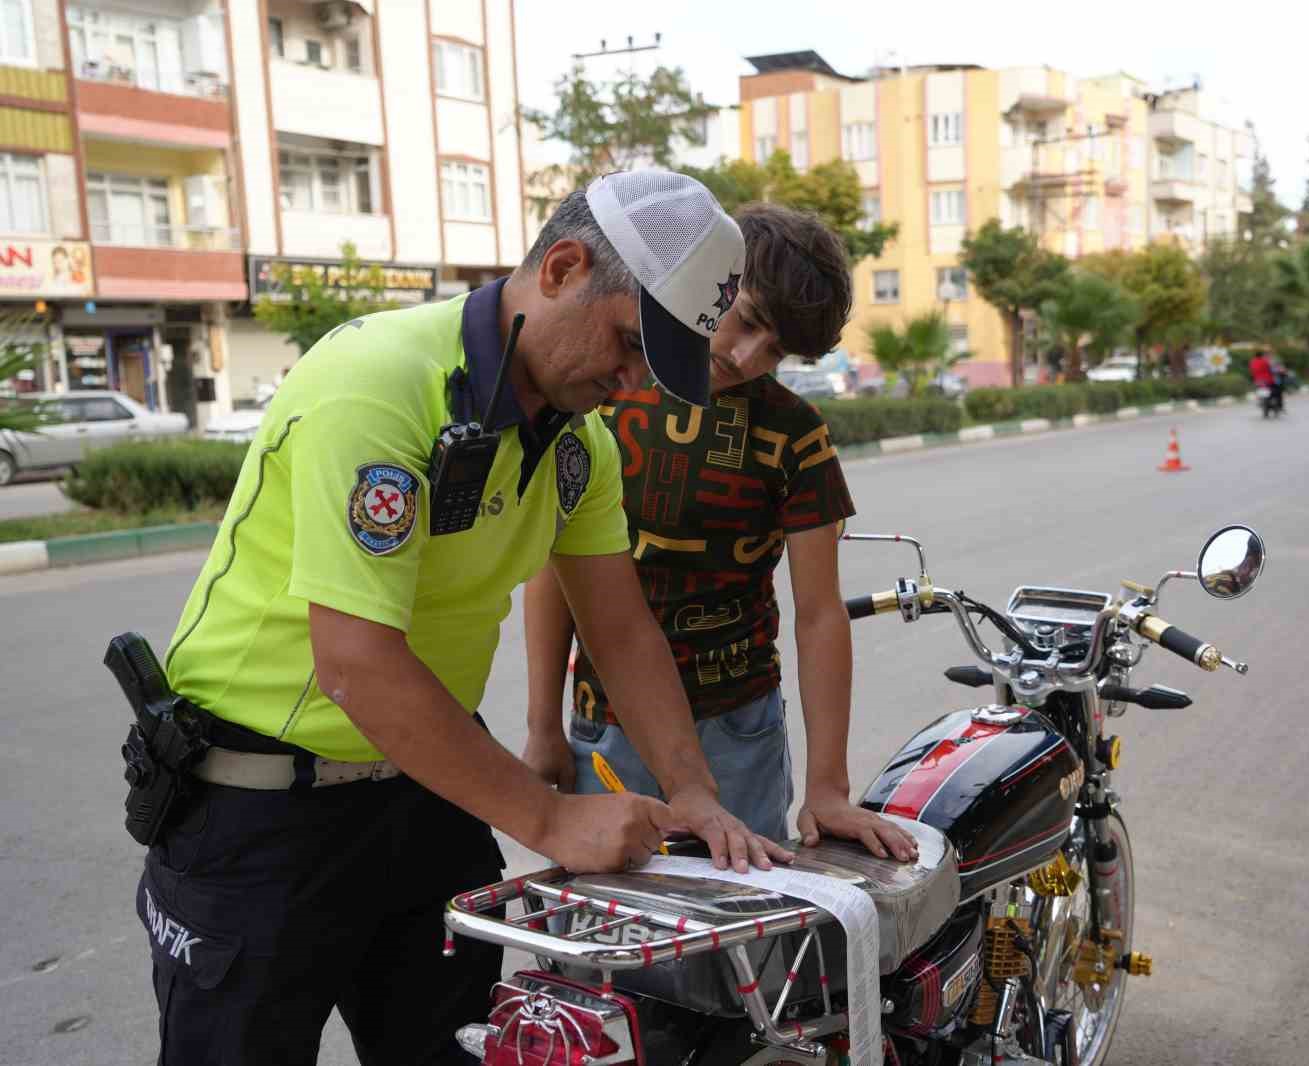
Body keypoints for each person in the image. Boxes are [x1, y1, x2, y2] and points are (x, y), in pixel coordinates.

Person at [136, 171, 789, 1066]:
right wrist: (552, 820)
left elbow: (623, 628)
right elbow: (356, 664)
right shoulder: (378, 383)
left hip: (426, 781)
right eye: (629, 347)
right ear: (561, 268)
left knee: (455, 1049)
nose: (631, 384)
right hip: (258, 805)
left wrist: (692, 790)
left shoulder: (576, 443)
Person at [522, 203, 918, 862]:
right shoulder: (608, 389)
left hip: (739, 733)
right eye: (750, 321)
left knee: (746, 943)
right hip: (609, 725)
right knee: (608, 942)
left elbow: (819, 615)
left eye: (778, 350)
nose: (746, 356)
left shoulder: (796, 433)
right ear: (715, 278)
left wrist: (828, 788)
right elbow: (554, 573)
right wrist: (542, 728)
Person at [1250, 348, 1283, 413]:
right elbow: (1272, 369)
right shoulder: (1265, 361)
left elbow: (1252, 371)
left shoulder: (1252, 362)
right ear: (1262, 355)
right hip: (1268, 380)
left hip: (1257, 381)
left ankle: (1265, 402)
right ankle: (1278, 404)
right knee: (1278, 389)